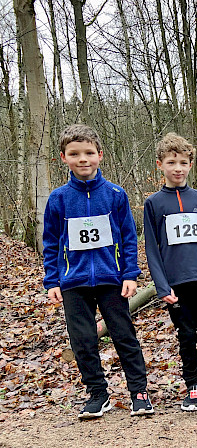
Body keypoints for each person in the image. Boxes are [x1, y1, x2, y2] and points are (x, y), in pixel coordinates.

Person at [43, 124, 153, 419]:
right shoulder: (58, 199)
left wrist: (130, 274)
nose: (83, 159)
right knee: (83, 341)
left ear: (100, 155)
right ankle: (97, 393)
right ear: (64, 158)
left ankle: (139, 392)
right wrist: (52, 280)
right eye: (75, 154)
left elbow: (129, 237)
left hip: (111, 280)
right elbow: (51, 242)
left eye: (89, 153)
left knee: (124, 335)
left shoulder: (115, 194)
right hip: (73, 282)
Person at [144, 133, 197, 411]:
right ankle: (192, 384)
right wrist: (161, 286)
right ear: (160, 165)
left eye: (183, 162)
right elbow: (151, 248)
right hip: (175, 283)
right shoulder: (153, 203)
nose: (177, 168)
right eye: (171, 162)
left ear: (190, 164)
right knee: (186, 335)